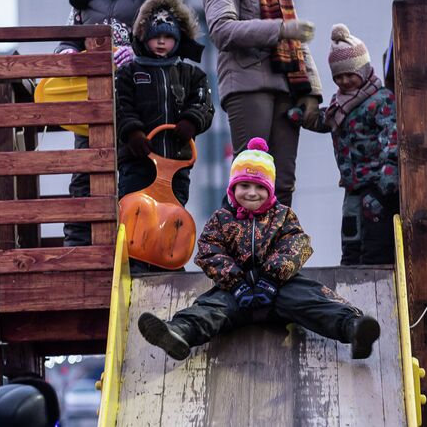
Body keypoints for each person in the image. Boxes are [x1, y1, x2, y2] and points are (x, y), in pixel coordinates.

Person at [137, 137, 381, 360]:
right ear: (233, 189)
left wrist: (271, 278)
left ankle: (354, 328)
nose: (252, 193)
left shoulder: (283, 216)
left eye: (260, 187)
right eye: (244, 186)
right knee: (211, 308)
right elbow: (209, 251)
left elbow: (296, 245)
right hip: (237, 293)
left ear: (270, 190)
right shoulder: (222, 219)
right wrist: (236, 282)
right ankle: (178, 332)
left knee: (311, 298)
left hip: (279, 290)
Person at [202, 0, 323, 207]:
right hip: (247, 84)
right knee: (251, 178)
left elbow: (297, 36)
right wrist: (280, 30)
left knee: (283, 182)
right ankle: (246, 251)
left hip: (286, 84)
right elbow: (222, 30)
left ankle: (280, 253)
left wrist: (311, 90)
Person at [56, 0, 157, 246]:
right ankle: (79, 244)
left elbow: (163, 41)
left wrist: (137, 53)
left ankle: (137, 244)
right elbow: (69, 37)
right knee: (86, 169)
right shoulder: (86, 2)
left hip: (133, 99)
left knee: (132, 169)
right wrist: (67, 53)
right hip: (91, 99)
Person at [116, 0, 214, 271]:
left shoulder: (191, 74)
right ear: (144, 38)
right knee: (135, 212)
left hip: (175, 163)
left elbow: (204, 102)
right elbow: (121, 105)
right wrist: (132, 132)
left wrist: (191, 121)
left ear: (178, 39)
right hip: (138, 160)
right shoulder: (130, 73)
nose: (161, 42)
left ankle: (167, 262)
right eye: (156, 36)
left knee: (172, 213)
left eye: (168, 37)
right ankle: (134, 264)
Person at [303, 25, 399, 265]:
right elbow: (325, 121)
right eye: (338, 76)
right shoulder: (340, 105)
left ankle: (374, 268)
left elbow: (392, 132)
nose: (344, 80)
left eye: (350, 74)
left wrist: (390, 169)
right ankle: (350, 268)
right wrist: (299, 116)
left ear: (364, 69)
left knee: (375, 232)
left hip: (376, 183)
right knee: (351, 230)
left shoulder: (380, 99)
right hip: (352, 184)